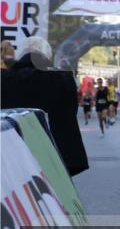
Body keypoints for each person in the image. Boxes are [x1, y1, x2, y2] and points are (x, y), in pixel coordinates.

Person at [0, 36, 89, 176]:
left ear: (21, 54)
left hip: (11, 157)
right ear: (47, 56)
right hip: (53, 158)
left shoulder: (3, 79)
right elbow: (70, 115)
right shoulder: (62, 79)